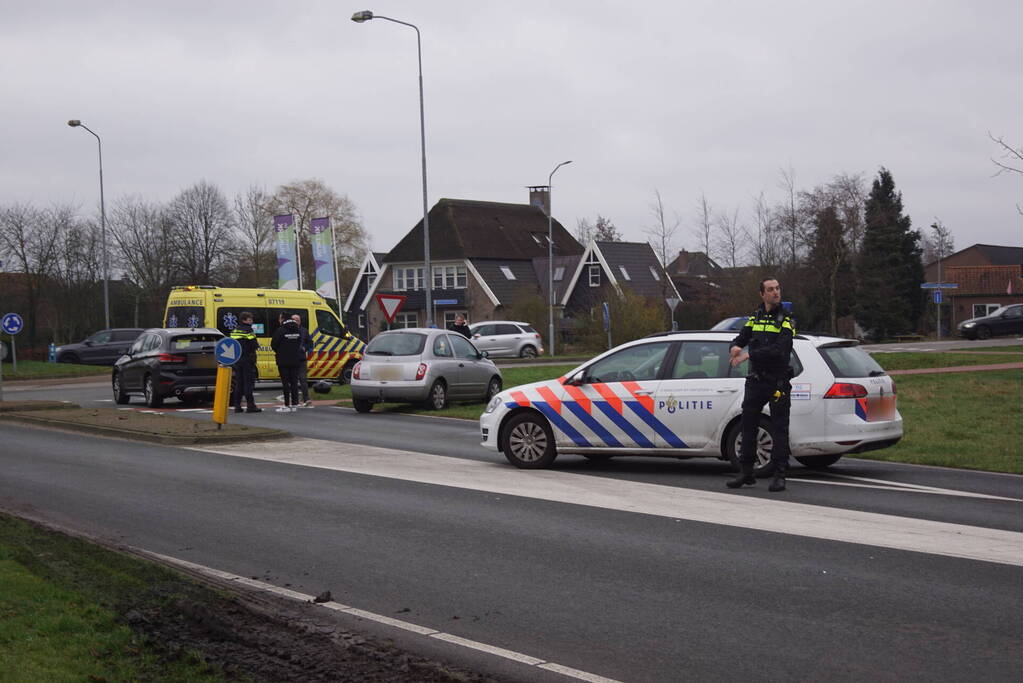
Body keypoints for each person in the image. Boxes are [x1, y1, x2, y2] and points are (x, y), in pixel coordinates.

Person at [726, 277, 795, 492]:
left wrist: (749, 355)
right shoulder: (755, 317)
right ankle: (746, 472)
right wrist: (735, 347)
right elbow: (741, 337)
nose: (776, 292)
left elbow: (780, 349)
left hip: (777, 381)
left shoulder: (787, 318)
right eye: (770, 289)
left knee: (779, 429)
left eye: (777, 288)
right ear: (762, 294)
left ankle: (780, 475)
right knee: (748, 427)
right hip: (756, 381)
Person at [271, 313, 305, 413]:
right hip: (295, 360)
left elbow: (273, 345)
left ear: (282, 319)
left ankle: (286, 404)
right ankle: (295, 404)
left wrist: (281, 351)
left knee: (285, 383)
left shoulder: (280, 330)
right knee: (294, 382)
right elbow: (299, 342)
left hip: (283, 360)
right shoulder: (297, 329)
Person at [230, 312, 262, 413]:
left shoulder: (235, 330)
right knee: (248, 383)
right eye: (250, 319)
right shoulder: (249, 330)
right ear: (244, 320)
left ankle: (237, 406)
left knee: (239, 383)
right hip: (248, 359)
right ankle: (250, 406)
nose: (251, 321)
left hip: (238, 360)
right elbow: (254, 345)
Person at [291, 314, 313, 407]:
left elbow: (310, 343)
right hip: (291, 359)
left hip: (301, 358)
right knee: (293, 381)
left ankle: (306, 399)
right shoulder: (288, 330)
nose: (296, 322)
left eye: (297, 320)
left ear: (300, 321)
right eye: (294, 320)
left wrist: (305, 348)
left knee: (303, 379)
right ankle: (294, 400)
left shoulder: (304, 331)